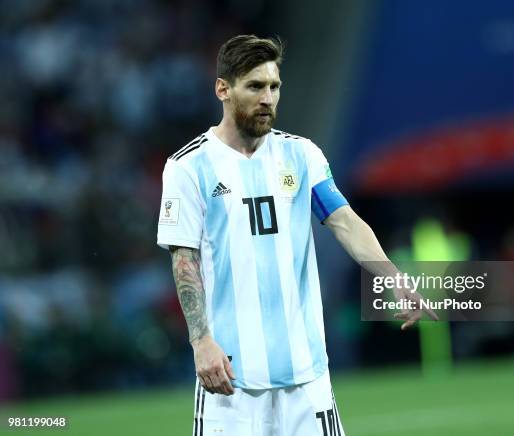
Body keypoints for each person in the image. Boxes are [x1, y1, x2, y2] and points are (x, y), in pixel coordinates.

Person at [157, 34, 436, 436]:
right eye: (255, 86)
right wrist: (200, 341)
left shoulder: (301, 155)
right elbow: (184, 260)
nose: (267, 97)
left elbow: (345, 221)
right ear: (223, 89)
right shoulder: (188, 167)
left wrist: (393, 276)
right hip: (229, 380)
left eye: (274, 86)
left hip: (306, 378)